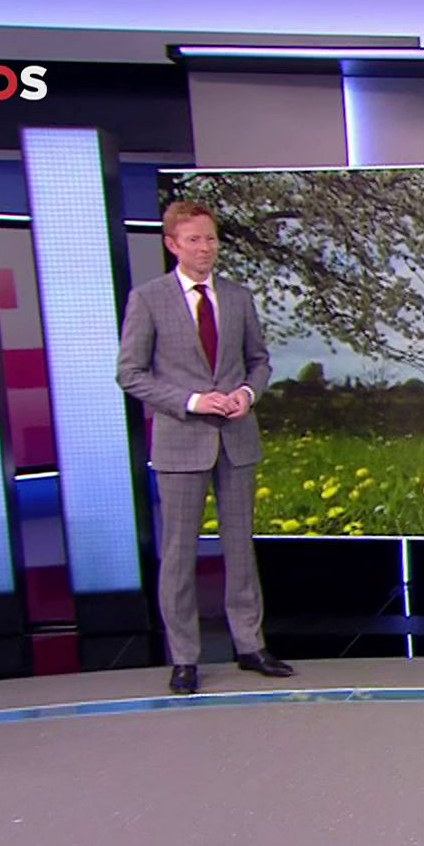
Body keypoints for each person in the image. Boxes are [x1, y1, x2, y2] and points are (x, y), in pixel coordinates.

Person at [117, 200, 294, 694]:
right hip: (181, 443)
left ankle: (250, 645)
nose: (205, 248)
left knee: (240, 546)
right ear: (172, 244)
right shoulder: (148, 299)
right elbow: (130, 373)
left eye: (211, 239)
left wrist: (247, 394)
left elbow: (259, 360)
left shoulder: (237, 298)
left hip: (236, 441)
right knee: (179, 553)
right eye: (194, 240)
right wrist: (193, 401)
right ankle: (184, 658)